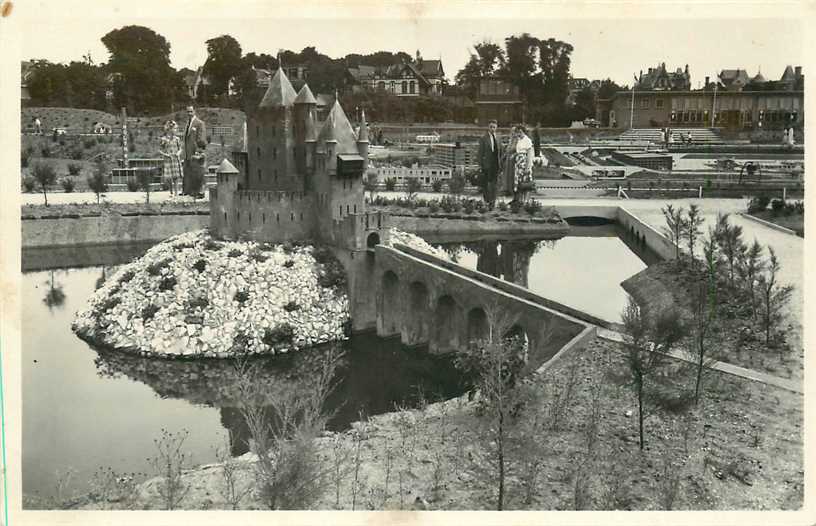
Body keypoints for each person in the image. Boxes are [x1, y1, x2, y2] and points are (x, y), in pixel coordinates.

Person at [182, 106, 207, 197]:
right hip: (188, 153)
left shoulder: (199, 123)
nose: (189, 113)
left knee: (199, 173)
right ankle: (188, 191)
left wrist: (199, 151)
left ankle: (200, 191)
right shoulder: (187, 124)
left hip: (196, 152)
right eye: (187, 112)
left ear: (194, 111)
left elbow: (201, 138)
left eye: (191, 111)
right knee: (188, 172)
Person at [477, 119, 502, 208]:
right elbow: (480, 152)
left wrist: (501, 163)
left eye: (494, 127)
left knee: (494, 184)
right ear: (488, 127)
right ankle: (487, 200)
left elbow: (501, 151)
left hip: (496, 164)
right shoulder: (483, 138)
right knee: (486, 183)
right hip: (486, 164)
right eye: (491, 127)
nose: (492, 129)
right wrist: (480, 164)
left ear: (496, 128)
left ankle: (493, 201)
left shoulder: (498, 138)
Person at [511, 125, 535, 204]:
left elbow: (529, 154)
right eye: (518, 132)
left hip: (524, 163)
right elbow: (519, 151)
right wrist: (514, 155)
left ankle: (525, 201)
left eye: (520, 132)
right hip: (518, 164)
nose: (519, 134)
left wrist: (528, 167)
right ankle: (520, 201)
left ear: (524, 132)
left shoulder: (527, 140)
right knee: (520, 183)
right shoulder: (519, 140)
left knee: (526, 183)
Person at [159, 120, 183, 196]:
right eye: (174, 129)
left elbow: (180, 148)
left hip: (175, 159)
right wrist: (166, 155)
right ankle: (171, 192)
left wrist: (179, 153)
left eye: (176, 129)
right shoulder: (164, 139)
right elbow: (160, 150)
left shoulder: (177, 139)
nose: (176, 130)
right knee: (169, 178)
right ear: (170, 129)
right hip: (168, 160)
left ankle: (176, 193)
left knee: (176, 177)